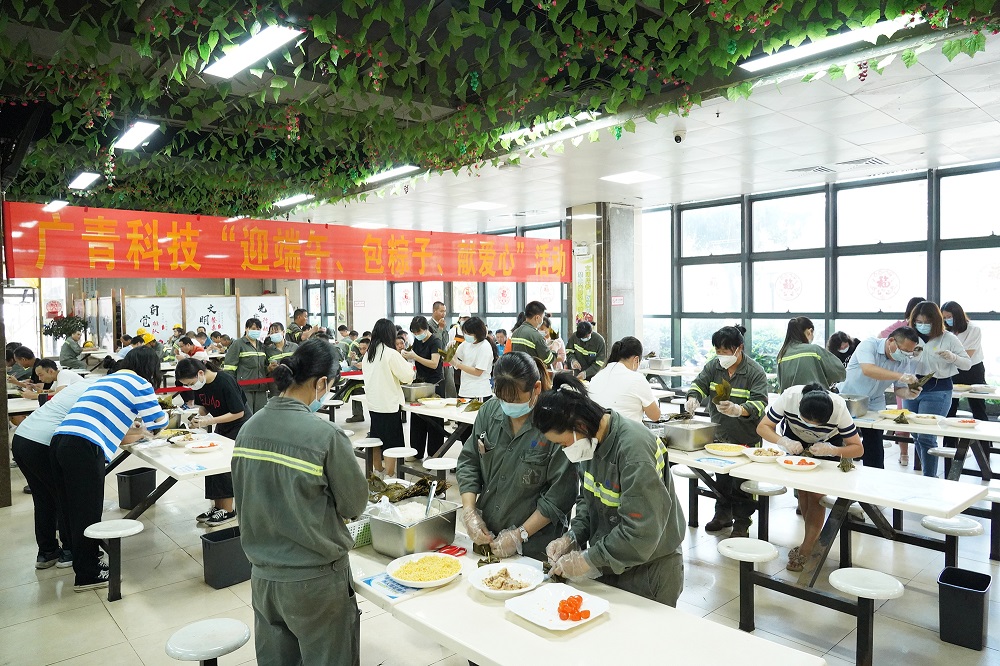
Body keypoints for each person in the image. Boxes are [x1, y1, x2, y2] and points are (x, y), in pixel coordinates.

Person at [231, 339, 367, 666]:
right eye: (330, 386)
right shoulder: (326, 436)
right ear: (321, 383)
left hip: (264, 579)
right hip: (316, 582)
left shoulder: (248, 430)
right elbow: (353, 506)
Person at [537, 374, 686, 606]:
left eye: (563, 443)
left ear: (579, 426)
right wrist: (573, 536)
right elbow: (587, 500)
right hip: (611, 563)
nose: (564, 450)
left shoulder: (634, 451)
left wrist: (586, 560)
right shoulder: (589, 443)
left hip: (648, 570)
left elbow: (640, 532)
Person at [51, 347, 168, 591]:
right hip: (84, 447)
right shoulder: (139, 383)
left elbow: (106, 416)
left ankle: (79, 558)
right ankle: (88, 575)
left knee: (69, 508)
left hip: (61, 441)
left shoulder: (105, 380)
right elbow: (158, 422)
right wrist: (158, 422)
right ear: (150, 367)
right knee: (87, 512)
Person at [457, 352, 577, 562]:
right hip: (488, 537)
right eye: (502, 398)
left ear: (536, 388)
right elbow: (469, 461)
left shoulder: (555, 426)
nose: (507, 405)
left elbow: (560, 495)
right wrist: (469, 512)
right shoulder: (489, 412)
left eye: (514, 400)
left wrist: (519, 535)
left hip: (535, 547)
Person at [757, 384, 864, 572]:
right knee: (803, 493)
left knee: (815, 496)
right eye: (807, 421)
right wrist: (783, 441)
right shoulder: (790, 397)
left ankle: (806, 548)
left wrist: (833, 450)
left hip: (827, 446)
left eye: (817, 425)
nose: (811, 427)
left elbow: (857, 448)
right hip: (794, 441)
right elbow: (763, 427)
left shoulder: (839, 407)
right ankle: (811, 540)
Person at [685, 325, 767, 538]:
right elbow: (699, 384)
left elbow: (760, 403)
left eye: (725, 351)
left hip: (745, 438)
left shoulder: (754, 371)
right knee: (721, 480)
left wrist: (739, 410)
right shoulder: (714, 366)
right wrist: (693, 397)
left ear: (739, 348)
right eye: (718, 350)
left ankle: (742, 523)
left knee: (742, 483)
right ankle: (722, 515)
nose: (721, 355)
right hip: (720, 436)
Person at [12, 377, 98, 570]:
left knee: (43, 498)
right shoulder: (101, 391)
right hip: (42, 443)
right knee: (65, 498)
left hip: (22, 438)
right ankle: (69, 551)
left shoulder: (83, 384)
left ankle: (47, 552)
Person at [176, 358, 249, 526]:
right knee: (211, 462)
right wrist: (198, 417)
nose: (191, 387)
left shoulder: (225, 381)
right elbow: (204, 406)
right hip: (222, 425)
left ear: (200, 373)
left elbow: (238, 412)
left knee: (225, 465)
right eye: (187, 385)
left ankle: (228, 510)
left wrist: (209, 421)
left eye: (190, 383)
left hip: (240, 425)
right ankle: (217, 507)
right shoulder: (200, 385)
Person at [837, 326, 922, 469]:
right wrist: (900, 376)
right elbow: (868, 369)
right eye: (903, 351)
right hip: (849, 399)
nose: (906, 355)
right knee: (842, 440)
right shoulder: (869, 344)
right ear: (891, 341)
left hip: (875, 402)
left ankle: (874, 476)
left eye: (909, 353)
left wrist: (909, 393)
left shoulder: (904, 360)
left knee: (874, 444)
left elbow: (899, 389)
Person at [904, 301, 972, 477]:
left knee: (927, 436)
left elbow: (967, 364)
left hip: (938, 389)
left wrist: (952, 357)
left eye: (927, 322)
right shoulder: (910, 336)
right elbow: (896, 359)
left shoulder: (948, 338)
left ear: (936, 321)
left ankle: (929, 477)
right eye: (919, 322)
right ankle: (928, 475)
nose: (923, 325)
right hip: (911, 388)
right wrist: (908, 356)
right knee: (916, 434)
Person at [361, 319, 416, 477]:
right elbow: (407, 376)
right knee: (391, 443)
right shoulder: (390, 353)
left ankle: (378, 471)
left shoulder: (369, 354)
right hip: (389, 405)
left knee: (376, 439)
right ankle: (390, 475)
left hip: (374, 403)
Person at [879, 296, 927, 465]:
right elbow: (881, 337)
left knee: (921, 423)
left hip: (920, 377)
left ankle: (920, 459)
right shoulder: (901, 327)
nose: (921, 321)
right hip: (901, 376)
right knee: (903, 415)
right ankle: (904, 453)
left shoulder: (929, 331)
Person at [588, 336, 661, 422]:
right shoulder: (637, 379)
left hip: (598, 429)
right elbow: (655, 416)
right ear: (636, 359)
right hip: (625, 430)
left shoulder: (597, 376)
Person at [941, 300, 989, 431]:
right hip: (952, 370)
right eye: (944, 317)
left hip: (973, 370)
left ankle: (984, 442)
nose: (947, 320)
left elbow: (967, 356)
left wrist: (949, 356)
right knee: (950, 408)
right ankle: (949, 441)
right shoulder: (946, 331)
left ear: (958, 315)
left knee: (978, 407)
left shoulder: (973, 329)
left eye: (949, 317)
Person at [402, 316, 444, 458]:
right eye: (414, 332)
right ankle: (416, 452)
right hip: (420, 383)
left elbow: (434, 363)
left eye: (418, 332)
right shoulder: (417, 341)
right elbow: (414, 356)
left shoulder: (436, 341)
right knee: (417, 418)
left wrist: (415, 357)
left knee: (434, 420)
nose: (417, 334)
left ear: (426, 329)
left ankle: (434, 454)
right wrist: (407, 355)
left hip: (434, 384)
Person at [775, 316, 846, 392]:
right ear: (810, 331)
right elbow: (840, 373)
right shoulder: (814, 351)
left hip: (789, 399)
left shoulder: (781, 355)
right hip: (815, 398)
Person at [223, 318, 270, 414]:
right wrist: (231, 386)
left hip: (261, 388)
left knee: (260, 415)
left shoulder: (261, 346)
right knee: (247, 415)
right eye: (253, 328)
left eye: (258, 329)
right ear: (246, 328)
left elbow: (263, 366)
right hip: (244, 388)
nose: (256, 331)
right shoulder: (238, 344)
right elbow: (229, 367)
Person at [453, 317, 496, 401]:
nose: (466, 335)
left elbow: (478, 372)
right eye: (465, 332)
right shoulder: (466, 344)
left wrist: (457, 364)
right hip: (464, 390)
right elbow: (456, 359)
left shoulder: (484, 347)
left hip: (479, 392)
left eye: (469, 333)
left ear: (478, 333)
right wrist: (450, 352)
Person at [510, 301, 555, 366]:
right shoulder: (536, 336)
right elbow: (548, 360)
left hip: (518, 370)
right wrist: (554, 349)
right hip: (531, 370)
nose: (542, 320)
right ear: (537, 318)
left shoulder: (515, 332)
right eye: (542, 317)